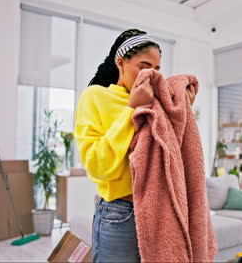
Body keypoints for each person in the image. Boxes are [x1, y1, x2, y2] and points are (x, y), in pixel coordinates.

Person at [74, 29, 196, 262]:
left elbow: (172, 156)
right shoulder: (95, 96)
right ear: (121, 62)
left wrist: (182, 112)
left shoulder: (157, 103)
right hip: (119, 212)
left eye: (157, 69)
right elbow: (97, 165)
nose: (150, 75)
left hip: (159, 210)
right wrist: (131, 109)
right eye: (143, 66)